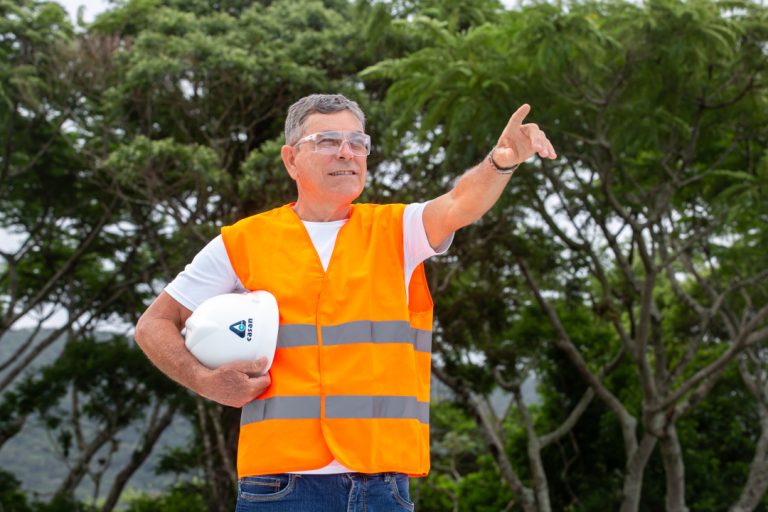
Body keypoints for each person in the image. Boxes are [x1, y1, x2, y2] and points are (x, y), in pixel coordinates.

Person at [134, 93, 556, 511]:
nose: (347, 152)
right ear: (291, 159)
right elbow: (153, 325)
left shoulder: (397, 230)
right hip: (280, 486)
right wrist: (205, 382)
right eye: (328, 141)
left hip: (382, 486)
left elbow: (461, 203)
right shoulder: (243, 241)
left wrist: (501, 161)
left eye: (358, 142)